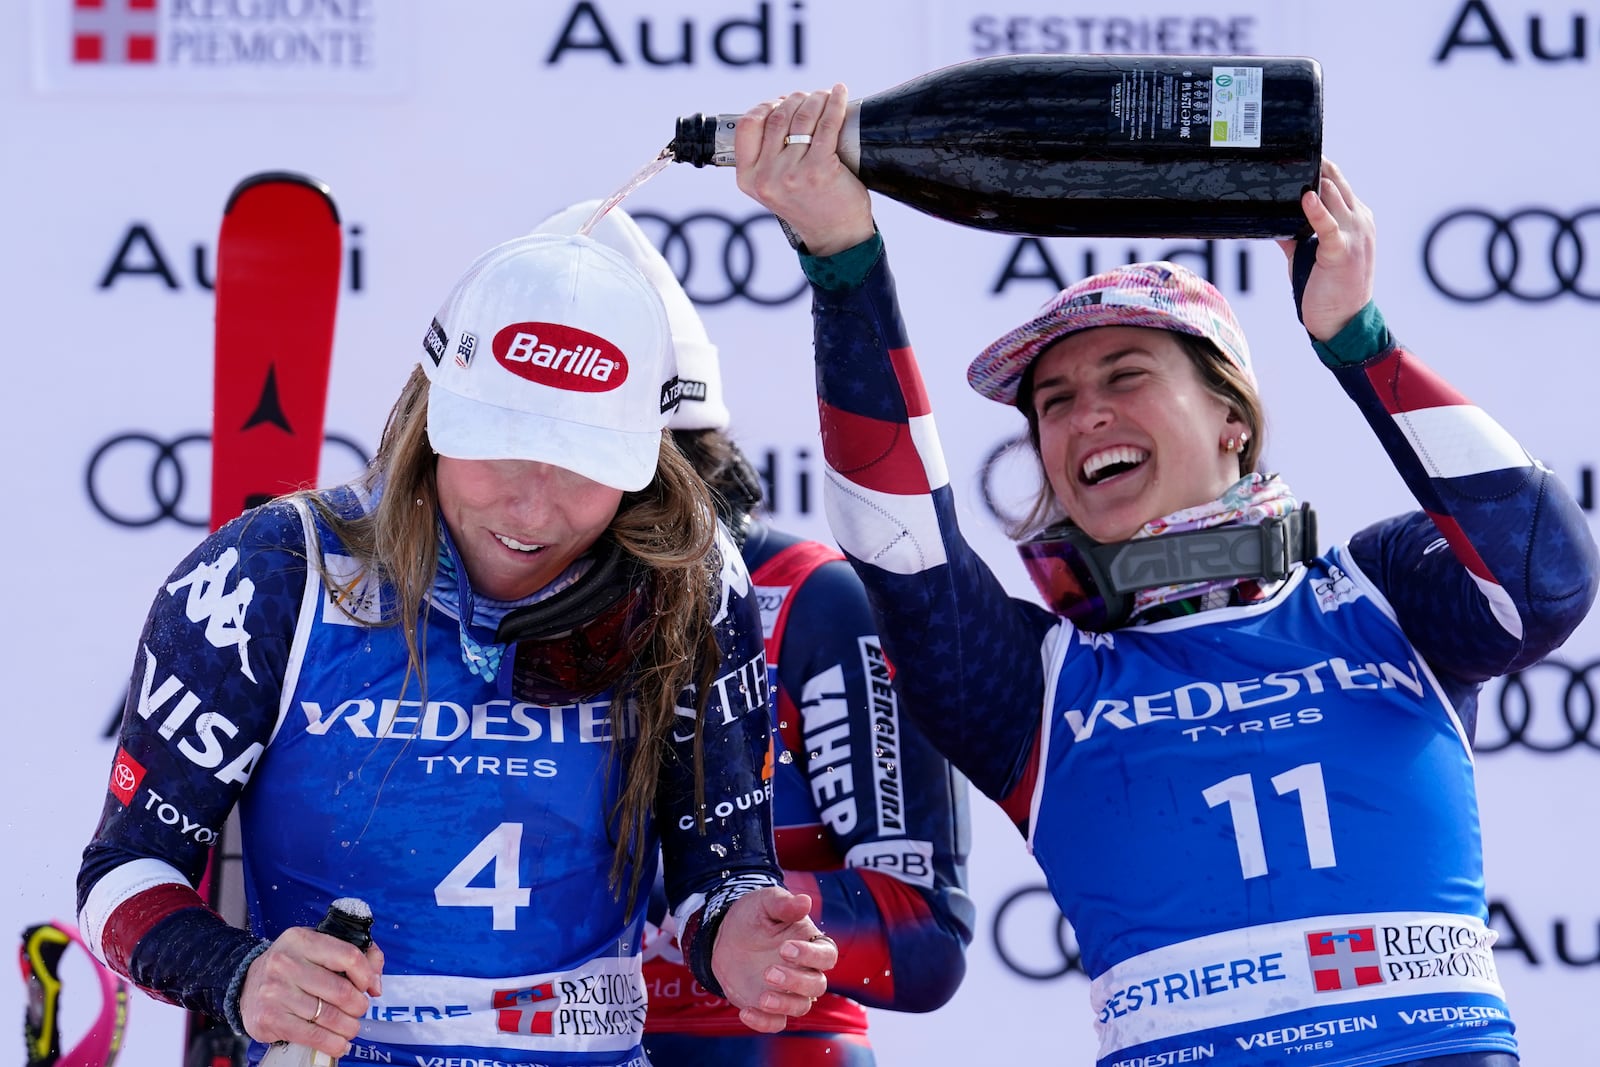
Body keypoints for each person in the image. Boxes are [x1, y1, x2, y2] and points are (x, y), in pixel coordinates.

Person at [729, 85, 1600, 1067]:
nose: (1084, 413)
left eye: (1126, 374)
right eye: (1052, 401)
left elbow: (1545, 571)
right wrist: (844, 259)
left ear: (1231, 415)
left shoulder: (1380, 590)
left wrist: (1358, 340)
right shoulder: (1029, 679)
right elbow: (898, 542)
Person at [75, 231, 839, 1067]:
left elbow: (719, 868)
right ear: (433, 416)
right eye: (503, 452)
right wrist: (241, 973)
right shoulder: (273, 573)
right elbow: (123, 871)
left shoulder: (688, 582)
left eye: (584, 469)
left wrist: (734, 930)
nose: (534, 512)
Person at [531, 200, 977, 1067]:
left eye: (585, 451)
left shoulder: (810, 602)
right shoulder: (470, 607)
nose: (540, 491)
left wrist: (716, 904)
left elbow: (922, 934)